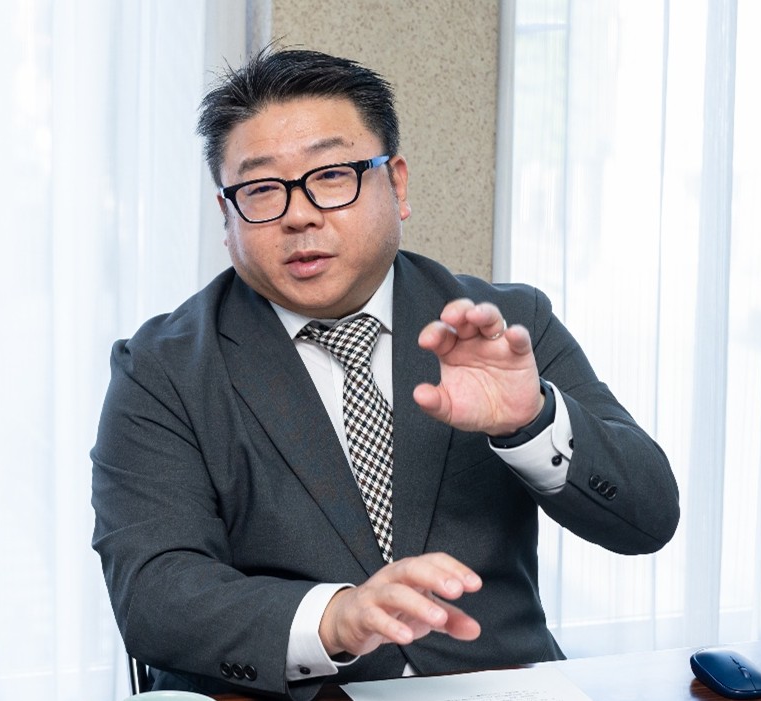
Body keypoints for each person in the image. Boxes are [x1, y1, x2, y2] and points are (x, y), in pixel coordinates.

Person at [91, 46, 679, 699]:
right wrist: (334, 618)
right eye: (260, 189)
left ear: (396, 185)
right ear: (226, 217)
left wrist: (530, 421)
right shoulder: (162, 368)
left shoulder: (507, 325)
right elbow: (152, 594)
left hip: (492, 686)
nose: (299, 214)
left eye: (331, 175)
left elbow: (649, 517)